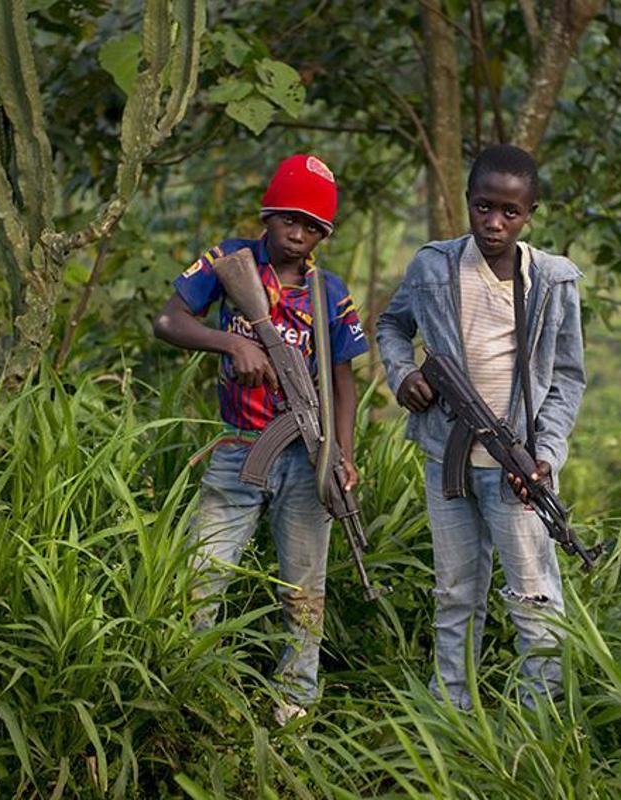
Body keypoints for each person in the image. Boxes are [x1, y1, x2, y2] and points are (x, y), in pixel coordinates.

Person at [152, 154, 369, 725]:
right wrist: (233, 345)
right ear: (267, 215)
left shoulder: (330, 291)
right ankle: (191, 682)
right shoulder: (231, 260)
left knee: (304, 587)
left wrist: (342, 456)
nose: (297, 235)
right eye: (288, 220)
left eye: (312, 227)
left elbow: (343, 384)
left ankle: (295, 700)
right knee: (203, 572)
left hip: (307, 456)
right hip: (238, 448)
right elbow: (168, 321)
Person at [376, 144, 586, 709]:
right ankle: (452, 712)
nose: (494, 222)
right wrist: (401, 377)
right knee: (455, 593)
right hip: (448, 458)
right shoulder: (433, 267)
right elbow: (391, 325)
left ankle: (539, 725)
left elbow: (567, 379)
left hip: (518, 467)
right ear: (467, 203)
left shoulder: (552, 281)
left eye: (509, 212)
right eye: (482, 207)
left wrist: (548, 457)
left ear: (530, 214)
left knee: (535, 600)